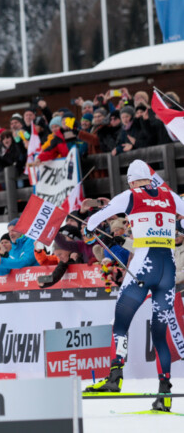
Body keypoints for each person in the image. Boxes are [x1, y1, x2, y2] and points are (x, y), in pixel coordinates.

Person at [83, 160, 184, 412]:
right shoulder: (171, 197)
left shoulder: (129, 195)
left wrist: (88, 230)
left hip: (143, 266)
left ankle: (115, 377)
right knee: (160, 334)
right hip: (167, 270)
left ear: (131, 181)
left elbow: (94, 220)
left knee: (121, 322)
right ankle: (165, 393)